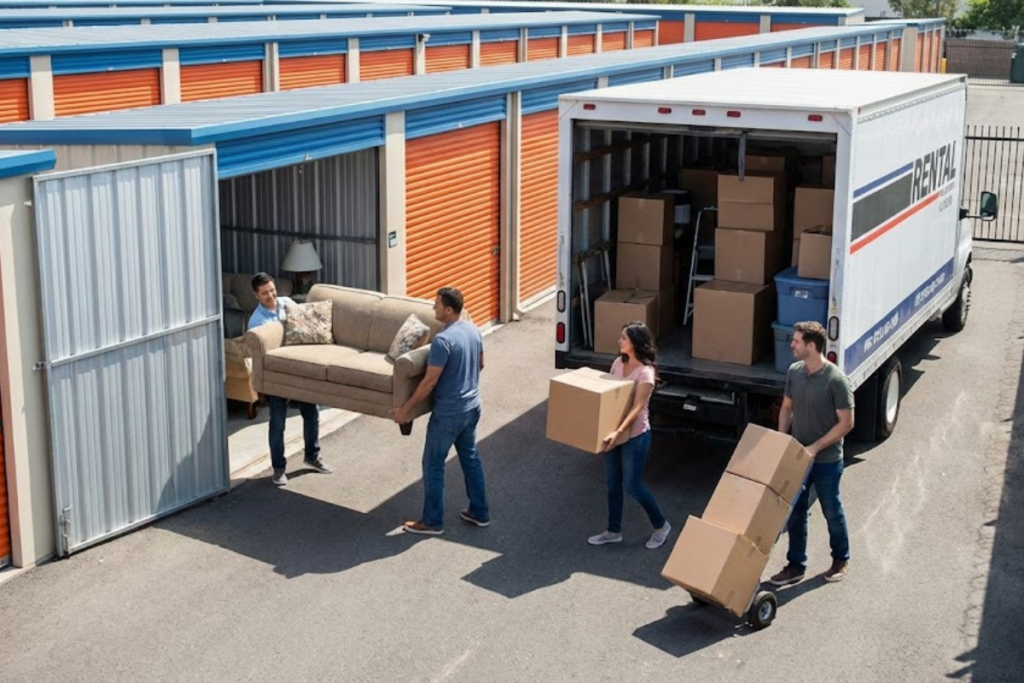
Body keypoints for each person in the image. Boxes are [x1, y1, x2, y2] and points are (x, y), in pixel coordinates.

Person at [391, 287, 488, 536]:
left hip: (448, 414)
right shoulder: (472, 329)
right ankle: (480, 512)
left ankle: (432, 521)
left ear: (448, 309)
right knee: (470, 459)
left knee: (433, 464)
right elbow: (481, 364)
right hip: (472, 406)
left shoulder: (442, 341)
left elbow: (429, 382)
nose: (433, 308)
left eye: (436, 305)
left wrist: (404, 410)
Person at [768, 320, 854, 586]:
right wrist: (783, 440)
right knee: (795, 512)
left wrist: (815, 447)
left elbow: (847, 423)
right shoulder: (794, 372)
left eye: (796, 341)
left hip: (827, 460)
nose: (791, 345)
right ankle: (796, 565)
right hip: (798, 457)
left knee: (831, 510)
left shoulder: (836, 380)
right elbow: (786, 408)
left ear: (811, 345)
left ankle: (841, 559)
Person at [588, 322, 672, 550]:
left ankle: (661, 525)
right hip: (612, 433)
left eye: (623, 338)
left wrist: (618, 431)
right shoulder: (617, 363)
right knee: (612, 484)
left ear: (635, 342)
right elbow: (609, 397)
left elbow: (637, 408)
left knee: (632, 485)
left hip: (635, 436)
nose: (619, 341)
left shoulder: (645, 373)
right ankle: (613, 531)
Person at [248, 272, 332, 486]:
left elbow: (305, 327)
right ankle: (278, 469)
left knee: (311, 413)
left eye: (272, 290)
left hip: (299, 371)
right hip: (278, 377)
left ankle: (312, 456)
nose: (271, 295)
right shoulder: (256, 322)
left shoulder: (287, 303)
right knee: (278, 423)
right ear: (256, 295)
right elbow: (258, 356)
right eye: (265, 293)